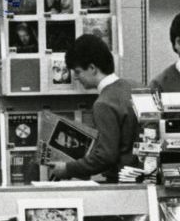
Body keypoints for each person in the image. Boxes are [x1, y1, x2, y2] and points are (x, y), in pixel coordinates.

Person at [48, 34, 140, 182]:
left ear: (92, 68)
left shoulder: (104, 103)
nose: (76, 78)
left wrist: (67, 169)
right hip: (148, 180)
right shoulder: (137, 87)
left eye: (78, 71)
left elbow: (105, 156)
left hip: (122, 184)